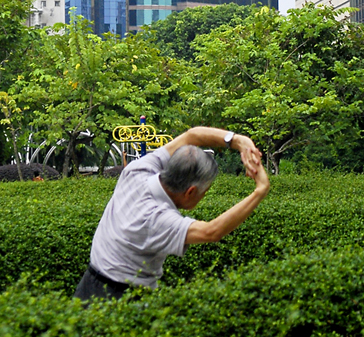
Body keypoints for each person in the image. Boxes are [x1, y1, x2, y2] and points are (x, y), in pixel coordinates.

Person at [74, 125, 269, 302]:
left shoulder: (138, 170)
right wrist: (260, 190)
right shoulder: (156, 219)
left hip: (87, 285)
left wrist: (240, 141)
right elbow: (211, 232)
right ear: (190, 191)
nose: (204, 196)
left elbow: (191, 136)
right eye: (204, 191)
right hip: (119, 299)